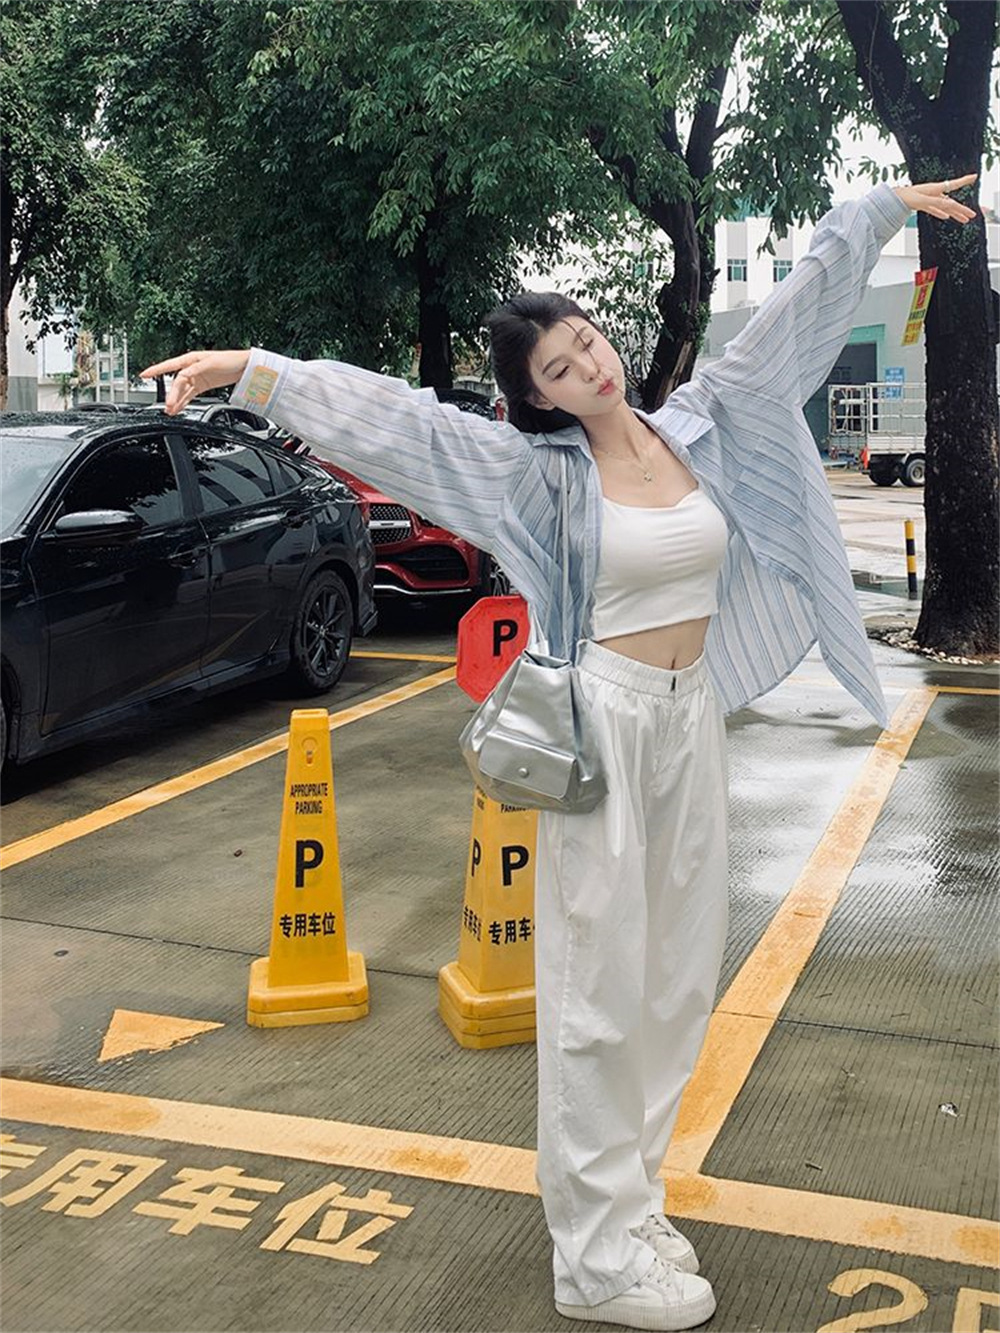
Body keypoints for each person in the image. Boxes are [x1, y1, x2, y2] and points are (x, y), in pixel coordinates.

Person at [142, 173, 977, 1332]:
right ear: (536, 399)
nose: (588, 364)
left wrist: (875, 211)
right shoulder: (538, 476)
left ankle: (631, 1201)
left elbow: (794, 316)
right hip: (606, 724)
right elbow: (409, 427)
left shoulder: (703, 422)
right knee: (597, 984)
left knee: (677, 978)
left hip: (690, 718)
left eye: (585, 340)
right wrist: (258, 371)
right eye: (558, 368)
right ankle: (591, 1258)